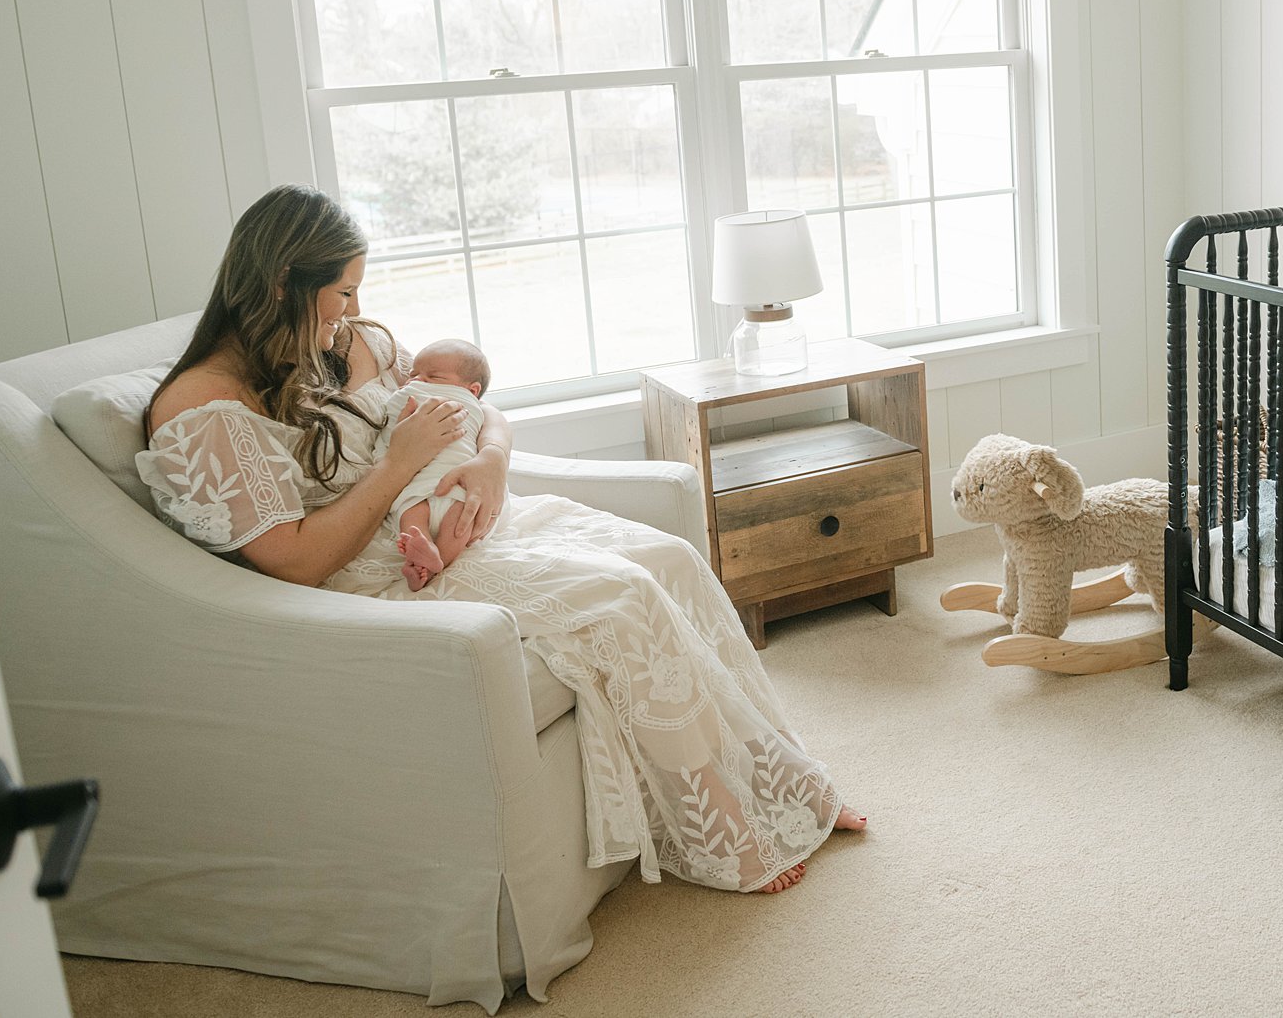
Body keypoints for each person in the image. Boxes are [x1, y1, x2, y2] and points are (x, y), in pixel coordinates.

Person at [136, 184, 864, 893]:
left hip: (460, 517)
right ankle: (731, 837)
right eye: (343, 292)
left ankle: (789, 781)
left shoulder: (347, 344)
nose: (354, 310)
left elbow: (476, 407)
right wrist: (398, 466)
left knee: (668, 557)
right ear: (285, 284)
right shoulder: (203, 408)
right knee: (625, 595)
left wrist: (491, 461)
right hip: (385, 573)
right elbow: (294, 559)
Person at [377, 336, 493, 590]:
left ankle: (434, 560)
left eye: (434, 378)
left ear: (471, 392)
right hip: (416, 480)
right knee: (412, 510)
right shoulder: (409, 394)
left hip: (458, 478)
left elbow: (488, 421)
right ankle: (425, 549)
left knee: (463, 517)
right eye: (413, 375)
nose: (417, 381)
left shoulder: (471, 406)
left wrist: (494, 453)